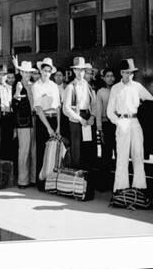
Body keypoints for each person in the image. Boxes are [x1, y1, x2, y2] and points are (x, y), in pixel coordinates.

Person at [107, 59, 153, 193]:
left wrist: (142, 107)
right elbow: (109, 112)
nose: (129, 75)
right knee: (122, 156)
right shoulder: (116, 88)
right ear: (121, 73)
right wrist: (118, 122)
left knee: (138, 155)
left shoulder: (137, 86)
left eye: (131, 73)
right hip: (122, 121)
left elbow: (152, 101)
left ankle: (139, 188)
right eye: (126, 73)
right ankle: (120, 189)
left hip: (135, 122)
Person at [63, 57, 97, 170]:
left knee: (87, 147)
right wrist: (79, 119)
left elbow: (94, 104)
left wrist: (92, 116)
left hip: (87, 117)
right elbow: (66, 109)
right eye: (77, 70)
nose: (80, 72)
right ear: (73, 71)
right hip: (76, 119)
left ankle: (86, 179)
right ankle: (76, 178)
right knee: (76, 149)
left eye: (82, 70)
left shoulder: (88, 86)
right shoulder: (70, 87)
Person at [32, 58, 61, 191]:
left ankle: (51, 182)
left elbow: (58, 107)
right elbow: (38, 108)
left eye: (49, 71)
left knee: (54, 151)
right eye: (44, 70)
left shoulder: (54, 86)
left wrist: (58, 126)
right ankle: (41, 182)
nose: (46, 73)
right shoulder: (36, 86)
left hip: (54, 118)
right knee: (41, 151)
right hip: (42, 120)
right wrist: (48, 128)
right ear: (40, 71)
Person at [12, 59, 37, 188]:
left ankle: (33, 178)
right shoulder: (17, 85)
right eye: (25, 72)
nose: (27, 74)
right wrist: (17, 93)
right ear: (21, 72)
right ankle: (23, 180)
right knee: (24, 151)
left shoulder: (33, 85)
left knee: (33, 150)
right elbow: (14, 105)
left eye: (29, 72)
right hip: (23, 122)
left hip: (34, 120)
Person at [96, 68, 117, 180]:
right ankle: (104, 181)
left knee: (119, 153)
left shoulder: (118, 89)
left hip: (117, 125)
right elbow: (98, 111)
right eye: (108, 76)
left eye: (112, 76)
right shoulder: (101, 92)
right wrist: (99, 129)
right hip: (106, 125)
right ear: (103, 78)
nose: (110, 78)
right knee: (106, 154)